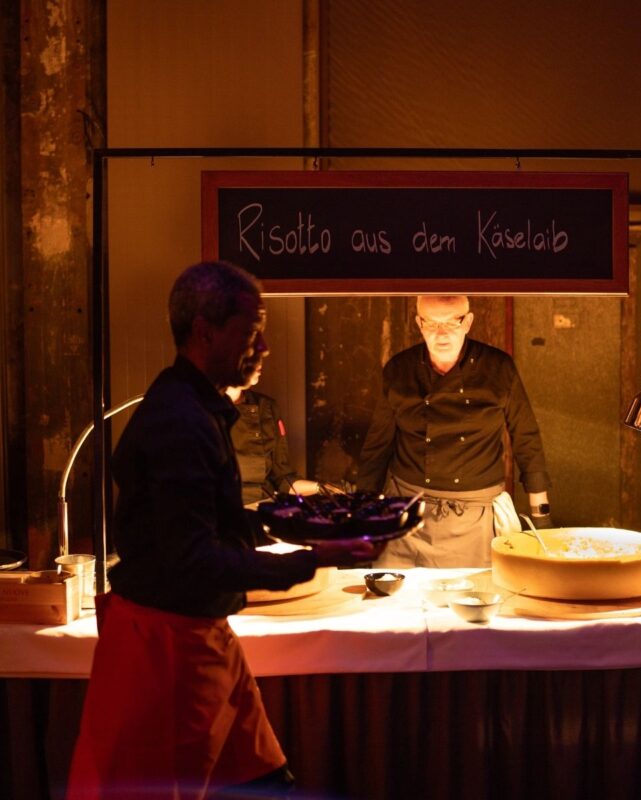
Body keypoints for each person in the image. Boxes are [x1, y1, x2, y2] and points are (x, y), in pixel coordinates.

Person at [66, 261, 382, 800]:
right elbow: (195, 557)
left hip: (202, 639)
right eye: (252, 332)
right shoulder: (180, 419)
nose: (264, 347)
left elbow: (217, 523)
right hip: (165, 653)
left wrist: (301, 527)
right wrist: (314, 559)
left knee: (267, 784)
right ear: (205, 332)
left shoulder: (194, 404)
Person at [356, 295, 552, 568]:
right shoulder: (399, 369)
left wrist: (541, 519)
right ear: (419, 324)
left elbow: (526, 438)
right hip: (406, 512)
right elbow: (377, 448)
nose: (442, 333)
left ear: (468, 322)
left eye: (451, 322)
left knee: (474, 591)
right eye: (432, 323)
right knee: (399, 593)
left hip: (474, 518)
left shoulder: (498, 368)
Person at [226, 367, 320, 504]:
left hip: (264, 506)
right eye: (252, 357)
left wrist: (321, 489)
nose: (260, 364)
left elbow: (283, 478)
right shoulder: (201, 411)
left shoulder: (266, 407)